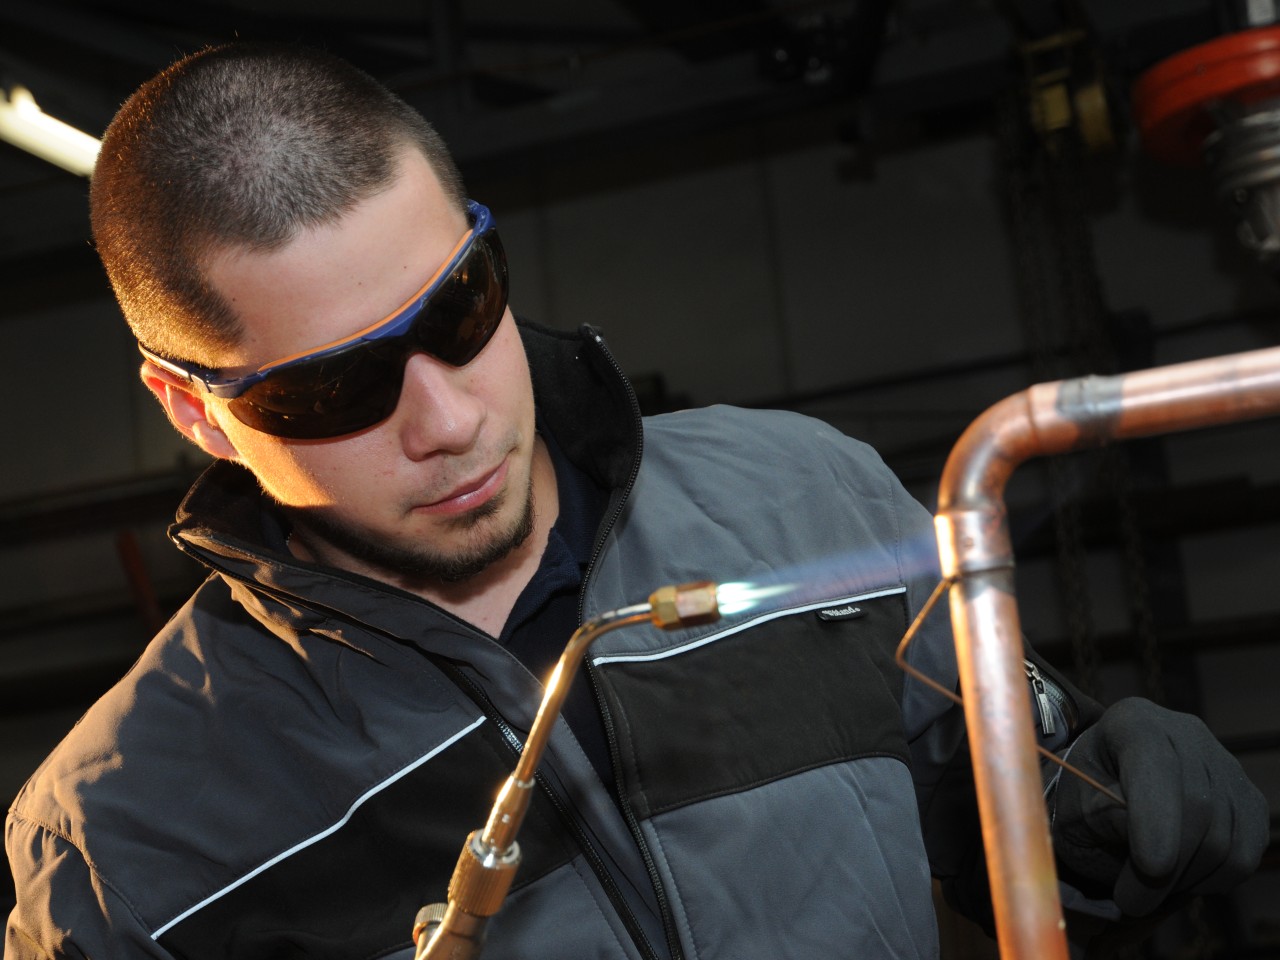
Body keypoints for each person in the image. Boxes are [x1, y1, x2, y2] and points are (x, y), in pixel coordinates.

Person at [4, 42, 1269, 960]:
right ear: (193, 409)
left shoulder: (803, 498)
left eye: (460, 306)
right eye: (332, 389)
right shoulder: (124, 845)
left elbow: (999, 809)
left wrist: (1097, 807)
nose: (447, 421)